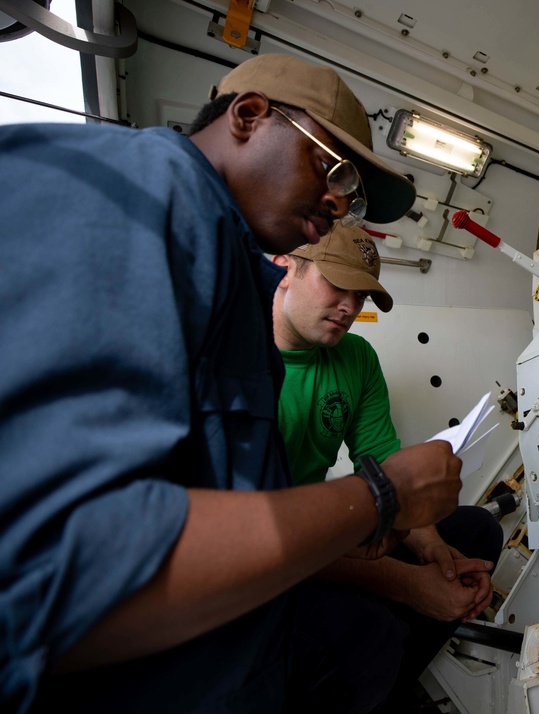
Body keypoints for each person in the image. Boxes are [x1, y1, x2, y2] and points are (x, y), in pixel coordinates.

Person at [0, 53, 462, 713]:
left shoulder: (232, 280)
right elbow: (67, 561)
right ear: (249, 115)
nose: (338, 203)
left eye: (353, 194)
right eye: (330, 168)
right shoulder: (137, 193)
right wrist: (382, 496)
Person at [271, 226, 504, 712]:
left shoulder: (355, 357)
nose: (350, 307)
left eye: (361, 296)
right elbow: (271, 543)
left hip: (323, 527)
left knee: (476, 534)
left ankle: (384, 684)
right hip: (266, 552)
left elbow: (385, 471)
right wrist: (410, 586)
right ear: (286, 267)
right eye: (337, 285)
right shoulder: (246, 363)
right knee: (369, 632)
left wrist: (437, 556)